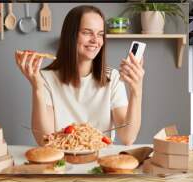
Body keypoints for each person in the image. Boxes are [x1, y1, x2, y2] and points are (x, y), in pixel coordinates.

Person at [15, 5, 145, 146]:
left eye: (100, 34)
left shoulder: (112, 78)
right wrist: (37, 87)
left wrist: (136, 90)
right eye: (87, 32)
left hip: (101, 161)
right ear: (70, 36)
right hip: (63, 161)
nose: (96, 40)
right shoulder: (46, 78)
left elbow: (128, 138)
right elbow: (45, 141)